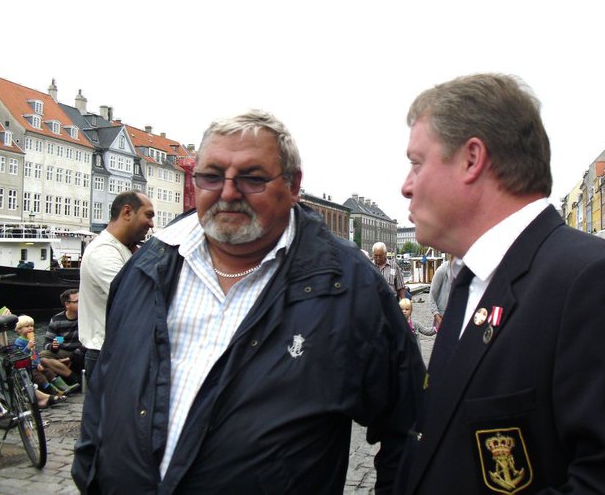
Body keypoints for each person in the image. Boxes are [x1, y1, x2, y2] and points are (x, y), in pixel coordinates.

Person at [72, 110, 424, 493]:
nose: (227, 192)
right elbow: (106, 385)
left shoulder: (349, 287)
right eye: (211, 176)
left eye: (252, 178)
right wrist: (90, 473)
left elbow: (410, 426)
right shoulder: (147, 268)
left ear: (293, 185)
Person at [395, 73, 605, 493]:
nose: (406, 186)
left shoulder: (595, 283)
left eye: (417, 163)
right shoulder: (471, 282)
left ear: (471, 159)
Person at [78, 191, 154, 381]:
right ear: (127, 212)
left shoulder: (124, 249)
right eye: (148, 215)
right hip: (109, 355)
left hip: (121, 353)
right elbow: (139, 298)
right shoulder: (103, 252)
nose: (151, 224)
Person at [14, 315, 78, 395]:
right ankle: (54, 392)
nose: (30, 328)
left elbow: (34, 354)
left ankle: (64, 387)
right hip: (28, 368)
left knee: (49, 371)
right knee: (40, 377)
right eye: (27, 326)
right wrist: (28, 347)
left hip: (35, 365)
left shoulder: (31, 339)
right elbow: (21, 356)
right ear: (19, 330)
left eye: (31, 326)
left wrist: (38, 363)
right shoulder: (19, 342)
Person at [40, 289, 84, 384]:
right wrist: (53, 346)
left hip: (82, 350)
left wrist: (71, 358)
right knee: (43, 356)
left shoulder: (86, 317)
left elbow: (92, 340)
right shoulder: (57, 319)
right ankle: (75, 379)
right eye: (77, 301)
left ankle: (65, 375)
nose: (81, 303)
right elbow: (46, 343)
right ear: (67, 304)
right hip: (65, 351)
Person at [427, 255, 461, 329]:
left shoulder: (464, 270)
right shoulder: (441, 270)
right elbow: (432, 296)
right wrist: (437, 316)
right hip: (442, 316)